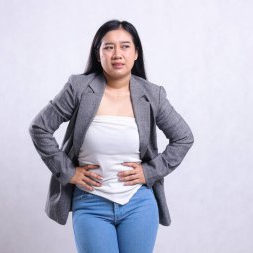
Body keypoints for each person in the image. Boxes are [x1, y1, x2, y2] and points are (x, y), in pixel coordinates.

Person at [29, 19, 194, 253]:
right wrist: (68, 172)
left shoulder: (152, 94)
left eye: (125, 46)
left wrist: (149, 172)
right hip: (90, 203)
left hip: (139, 204)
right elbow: (40, 128)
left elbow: (184, 137)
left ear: (136, 53)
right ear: (98, 54)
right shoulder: (78, 88)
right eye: (108, 47)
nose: (117, 53)